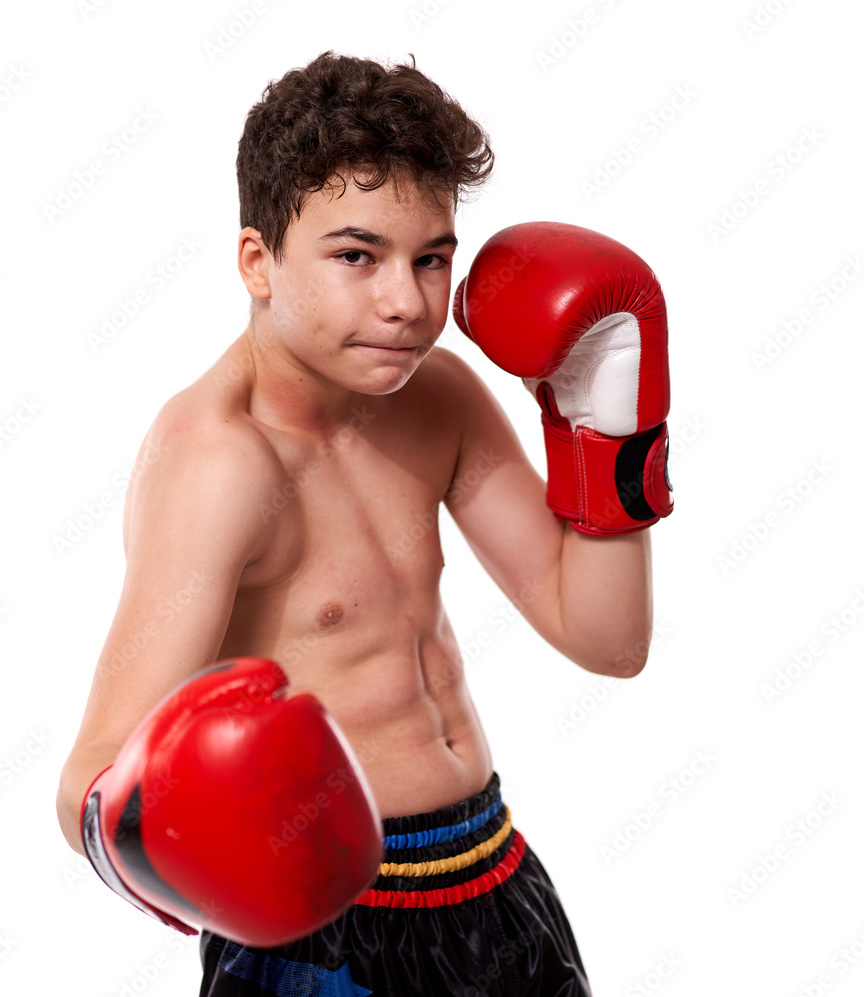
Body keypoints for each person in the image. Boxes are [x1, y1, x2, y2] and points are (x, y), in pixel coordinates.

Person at [57, 50, 669, 995]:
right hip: (326, 939)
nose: (406, 302)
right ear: (258, 261)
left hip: (497, 880)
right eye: (356, 256)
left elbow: (607, 637)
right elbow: (92, 781)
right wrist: (180, 848)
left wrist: (607, 432)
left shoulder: (440, 398)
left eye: (432, 259)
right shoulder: (220, 462)